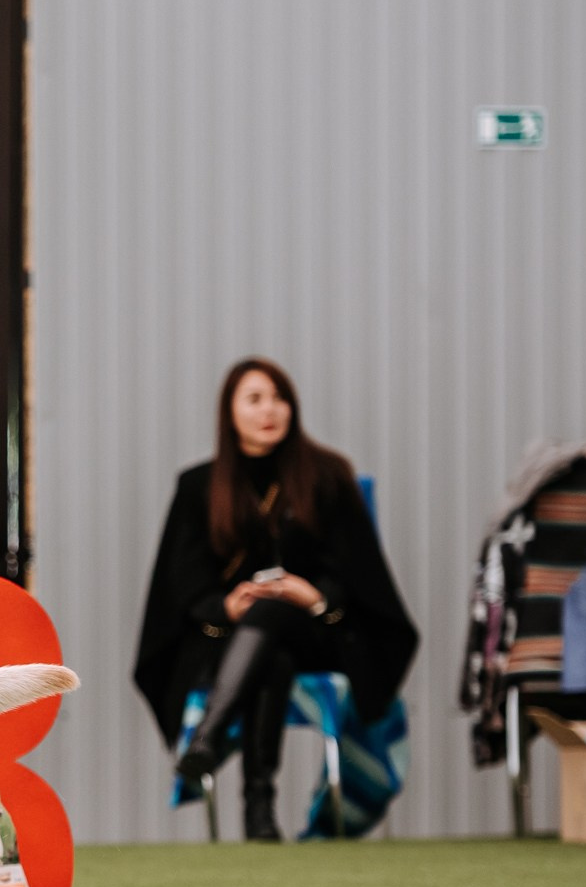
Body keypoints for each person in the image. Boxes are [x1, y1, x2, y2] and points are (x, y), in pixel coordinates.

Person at [134, 358, 417, 841]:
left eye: (278, 397)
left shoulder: (328, 475)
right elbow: (180, 579)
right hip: (229, 637)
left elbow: (360, 573)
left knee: (277, 612)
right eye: (255, 399)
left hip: (323, 630)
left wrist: (313, 596)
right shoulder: (199, 486)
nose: (270, 410)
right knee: (273, 657)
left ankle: (207, 737)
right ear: (230, 412)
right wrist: (226, 607)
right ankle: (259, 814)